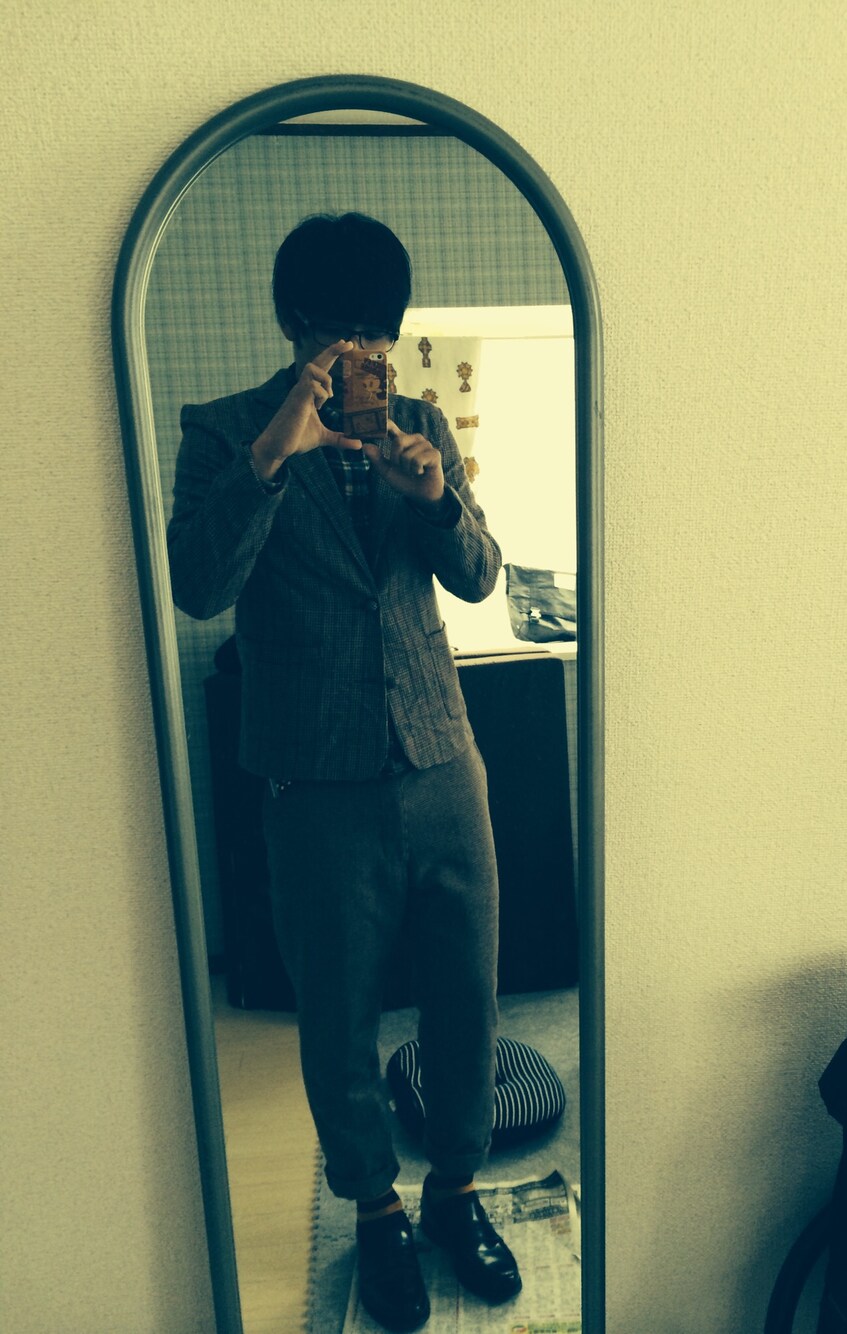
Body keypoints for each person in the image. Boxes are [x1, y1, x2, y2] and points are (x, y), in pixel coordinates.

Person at [167, 212, 520, 1332]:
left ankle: (455, 1188)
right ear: (293, 322)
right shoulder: (226, 431)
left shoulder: (421, 424)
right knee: (337, 1010)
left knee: (468, 991)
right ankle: (374, 1207)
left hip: (441, 756)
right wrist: (274, 456)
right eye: (338, 331)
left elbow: (479, 575)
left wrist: (435, 498)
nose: (360, 353)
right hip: (312, 782)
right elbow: (198, 587)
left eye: (377, 331)